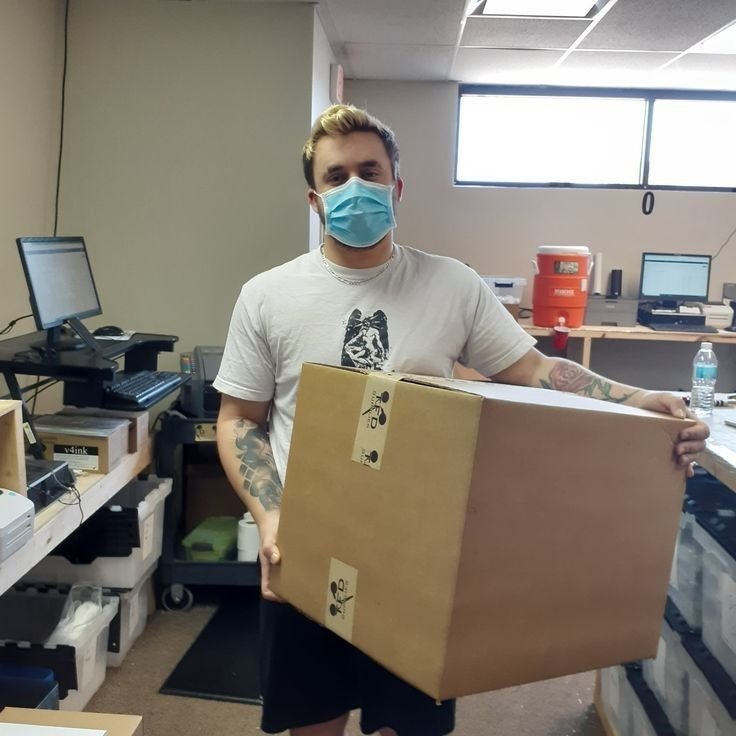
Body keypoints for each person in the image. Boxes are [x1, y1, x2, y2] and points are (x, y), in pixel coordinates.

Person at [214, 103, 709, 736]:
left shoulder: (451, 285)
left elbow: (533, 370)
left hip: (417, 551)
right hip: (308, 540)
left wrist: (636, 400)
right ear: (315, 200)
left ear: (396, 186)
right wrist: (272, 515)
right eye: (337, 177)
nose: (355, 187)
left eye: (370, 171)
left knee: (406, 725)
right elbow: (239, 419)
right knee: (314, 722)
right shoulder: (267, 295)